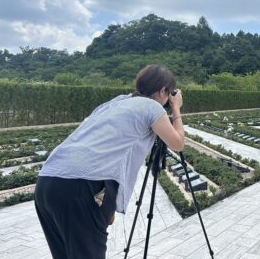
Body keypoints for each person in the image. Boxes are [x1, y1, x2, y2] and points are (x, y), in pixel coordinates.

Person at [34, 65, 185, 259]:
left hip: (48, 181)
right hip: (82, 186)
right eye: (168, 93)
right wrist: (176, 108)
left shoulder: (116, 102)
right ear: (164, 90)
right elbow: (178, 143)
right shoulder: (152, 107)